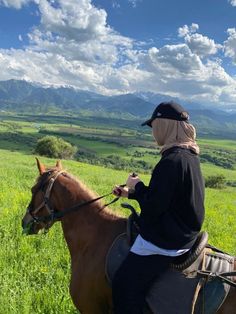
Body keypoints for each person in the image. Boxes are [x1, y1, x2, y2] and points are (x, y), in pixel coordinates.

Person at [112, 101, 205, 314]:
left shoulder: (171, 161)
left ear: (164, 126)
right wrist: (131, 193)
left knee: (123, 286)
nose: (153, 132)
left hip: (168, 239)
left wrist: (138, 186)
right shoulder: (188, 154)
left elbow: (153, 209)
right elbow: (166, 199)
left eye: (154, 126)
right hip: (184, 232)